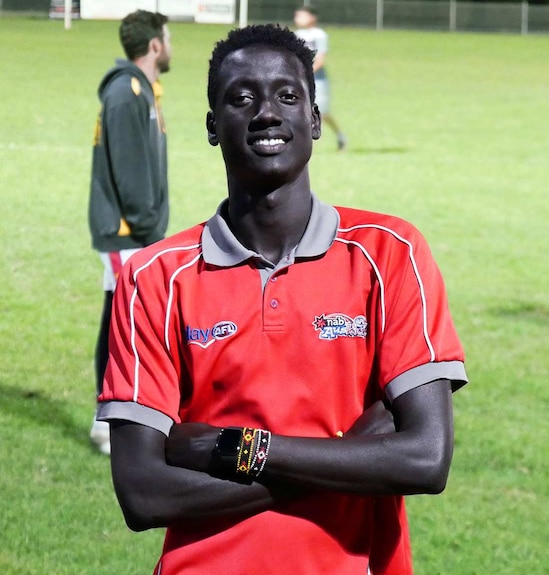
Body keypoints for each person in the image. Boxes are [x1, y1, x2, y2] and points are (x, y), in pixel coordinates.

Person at [96, 24, 467, 575]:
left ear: (313, 120)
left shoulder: (389, 254)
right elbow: (144, 493)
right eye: (240, 98)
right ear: (212, 127)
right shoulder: (154, 278)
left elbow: (424, 459)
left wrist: (238, 448)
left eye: (288, 96)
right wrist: (347, 461)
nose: (266, 112)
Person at [87, 10, 172, 454]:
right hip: (127, 234)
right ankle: (108, 423)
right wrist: (147, 228)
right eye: (169, 37)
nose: (172, 45)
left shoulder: (143, 90)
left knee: (123, 320)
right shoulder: (126, 93)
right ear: (155, 45)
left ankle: (124, 417)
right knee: (124, 325)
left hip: (136, 232)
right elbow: (130, 172)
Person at [293, 6, 348, 151]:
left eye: (302, 16)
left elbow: (320, 60)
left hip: (318, 79)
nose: (298, 19)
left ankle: (340, 136)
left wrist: (307, 72)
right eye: (297, 16)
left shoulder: (319, 35)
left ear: (312, 18)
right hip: (300, 79)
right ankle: (300, 144)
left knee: (322, 112)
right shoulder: (296, 35)